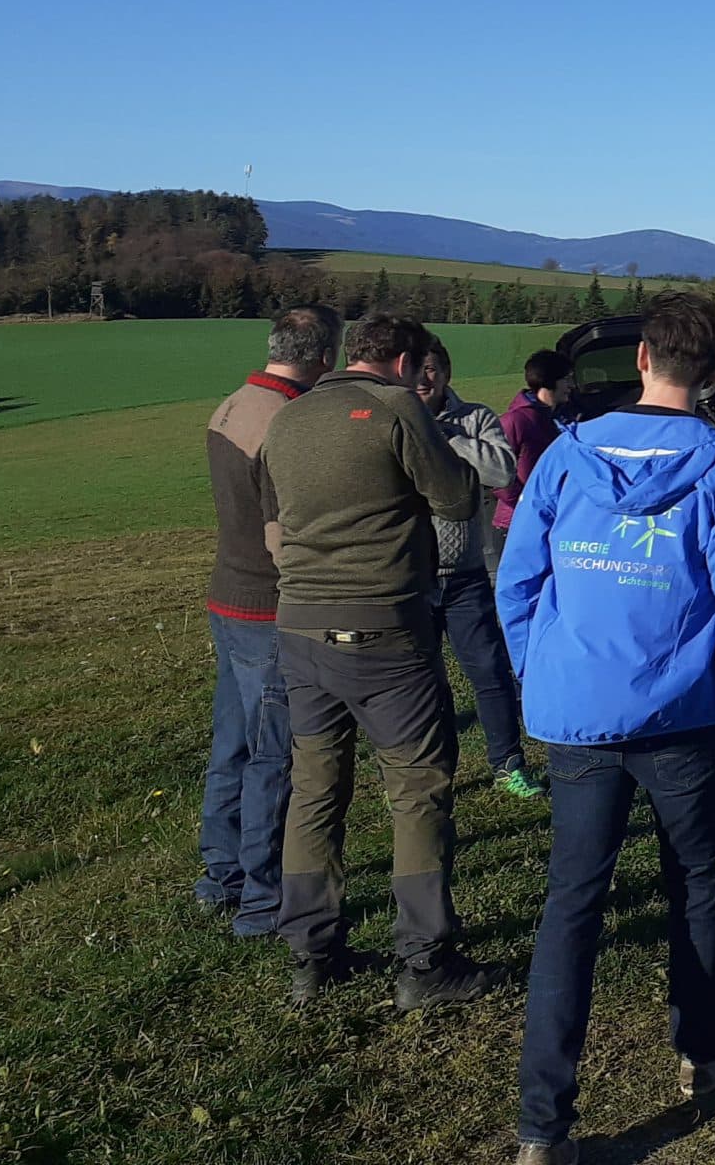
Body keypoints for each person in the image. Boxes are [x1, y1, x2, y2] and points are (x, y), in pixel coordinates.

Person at [499, 293, 715, 1165]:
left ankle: (544, 1127)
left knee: (572, 904)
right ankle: (702, 1049)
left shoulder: (566, 455)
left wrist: (536, 673)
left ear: (644, 354)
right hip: (685, 711)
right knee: (695, 882)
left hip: (577, 712)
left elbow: (518, 583)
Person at [260, 311, 498, 1010]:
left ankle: (311, 953)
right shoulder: (397, 409)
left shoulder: (290, 417)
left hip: (299, 623)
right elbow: (455, 499)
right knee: (418, 789)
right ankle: (424, 962)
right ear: (402, 361)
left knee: (315, 790)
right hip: (385, 624)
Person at [198, 305, 340, 937]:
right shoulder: (287, 422)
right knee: (274, 756)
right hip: (267, 606)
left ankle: (219, 874)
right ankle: (262, 900)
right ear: (323, 358)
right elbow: (283, 533)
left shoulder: (231, 404)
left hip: (226, 596)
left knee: (230, 746)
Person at [415, 339, 538, 800]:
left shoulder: (476, 418)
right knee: (422, 682)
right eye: (418, 370)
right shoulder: (395, 420)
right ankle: (429, 771)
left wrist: (445, 435)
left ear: (446, 373)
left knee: (489, 671)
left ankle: (508, 764)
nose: (425, 380)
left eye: (433, 370)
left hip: (465, 572)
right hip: (412, 575)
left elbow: (502, 472)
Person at [495, 350, 575, 538]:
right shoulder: (515, 420)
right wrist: (527, 504)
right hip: (515, 525)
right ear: (549, 381)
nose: (571, 385)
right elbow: (497, 475)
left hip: (554, 520)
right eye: (566, 379)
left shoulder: (565, 419)